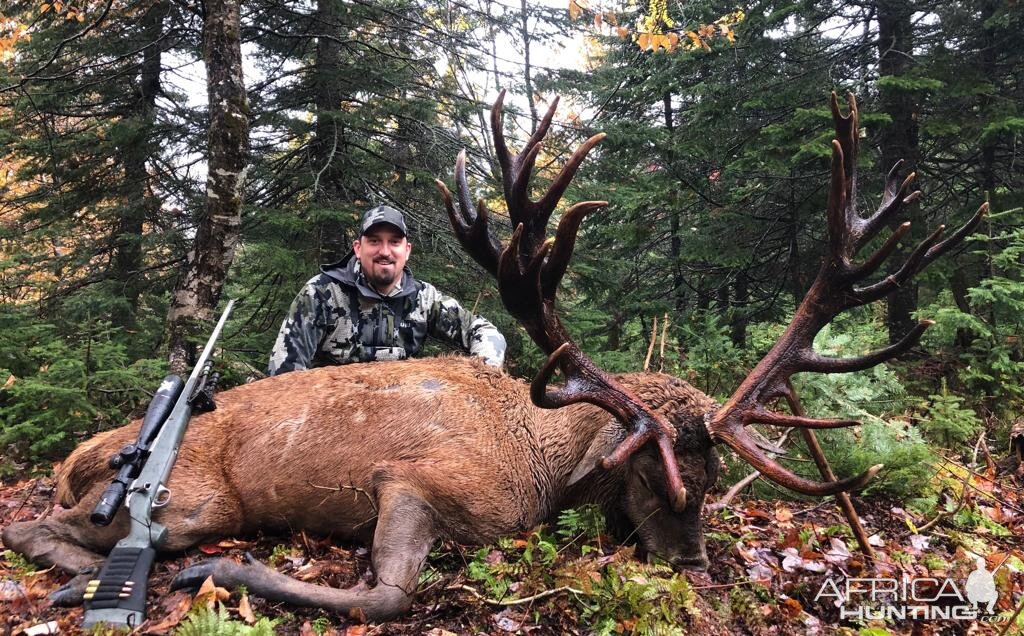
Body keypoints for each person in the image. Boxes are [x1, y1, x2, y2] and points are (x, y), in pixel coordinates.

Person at [268, 205, 506, 375]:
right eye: (374, 241)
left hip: (396, 421)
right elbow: (285, 375)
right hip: (333, 420)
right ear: (358, 248)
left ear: (407, 250)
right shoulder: (321, 293)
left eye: (394, 242)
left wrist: (485, 374)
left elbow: (482, 330)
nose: (385, 251)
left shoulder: (424, 299)